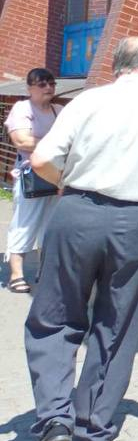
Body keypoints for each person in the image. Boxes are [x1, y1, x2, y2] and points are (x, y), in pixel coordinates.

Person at [23, 38, 138, 441]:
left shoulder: (88, 101)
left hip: (77, 213)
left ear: (116, 66)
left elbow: (41, 159)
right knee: (116, 323)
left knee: (55, 316)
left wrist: (68, 182)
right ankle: (94, 429)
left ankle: (54, 417)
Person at [4, 68, 60, 295]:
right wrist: (57, 142)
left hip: (56, 177)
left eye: (51, 83)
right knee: (25, 223)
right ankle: (16, 274)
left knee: (51, 228)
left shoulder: (59, 110)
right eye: (42, 83)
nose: (48, 87)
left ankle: (45, 273)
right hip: (31, 177)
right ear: (30, 88)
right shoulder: (22, 108)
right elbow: (22, 140)